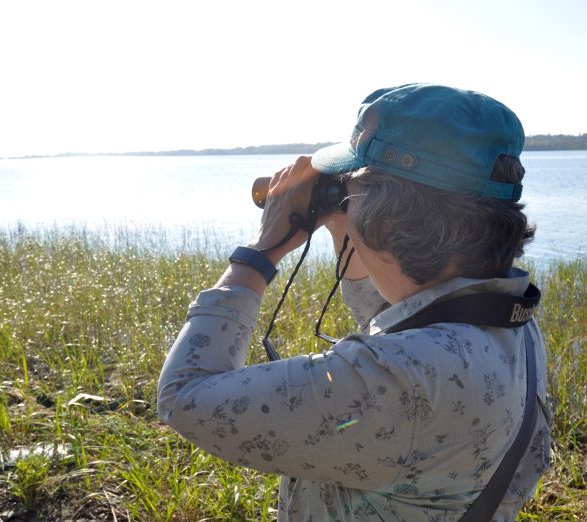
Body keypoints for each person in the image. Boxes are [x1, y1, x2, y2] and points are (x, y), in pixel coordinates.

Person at [157, 84, 551, 521]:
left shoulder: (403, 379)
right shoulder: (506, 322)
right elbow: (391, 318)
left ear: (389, 216)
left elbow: (185, 397)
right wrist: (348, 225)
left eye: (354, 190)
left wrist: (261, 252)